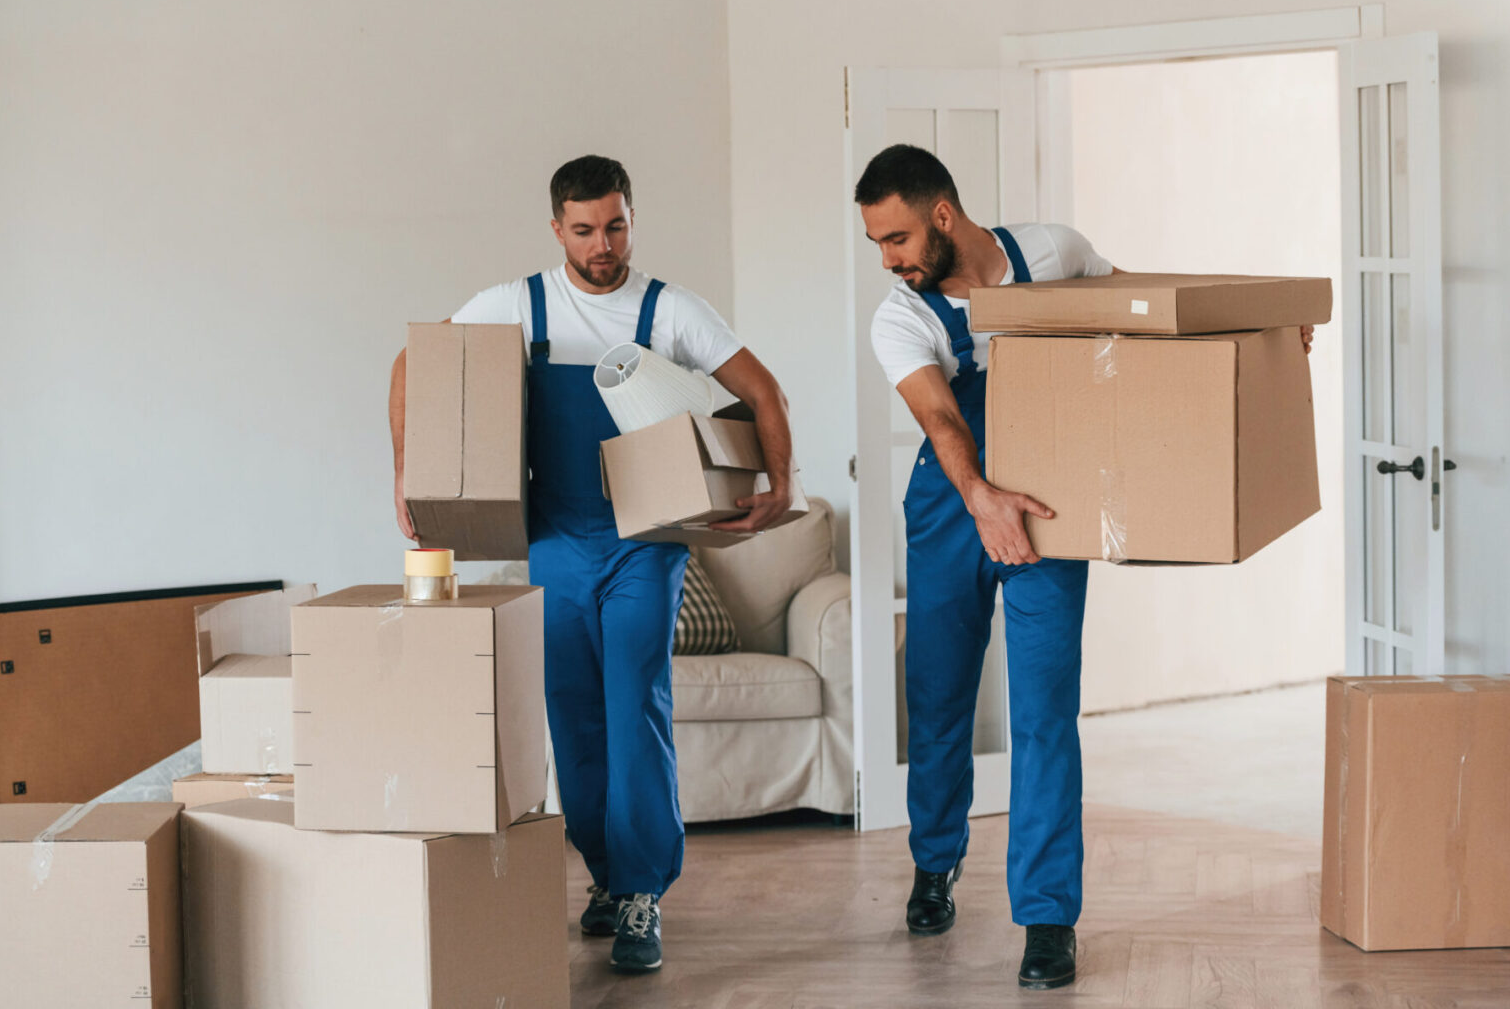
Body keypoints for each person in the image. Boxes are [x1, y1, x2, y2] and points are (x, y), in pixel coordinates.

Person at [854, 144, 1312, 990]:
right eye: (878, 244)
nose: (889, 260)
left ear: (943, 217)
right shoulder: (899, 317)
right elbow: (944, 424)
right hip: (953, 504)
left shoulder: (1052, 253)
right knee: (940, 697)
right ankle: (934, 863)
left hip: (1049, 503)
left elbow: (1146, 316)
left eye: (896, 238)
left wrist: (1267, 335)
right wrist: (981, 499)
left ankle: (1047, 918)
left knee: (1042, 712)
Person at [388, 155, 794, 975]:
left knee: (632, 703)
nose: (601, 244)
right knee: (571, 713)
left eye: (614, 226)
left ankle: (643, 889)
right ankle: (605, 877)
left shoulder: (669, 310)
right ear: (556, 229)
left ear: (631, 220)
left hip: (647, 541)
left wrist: (784, 484)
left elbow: (763, 391)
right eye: (584, 229)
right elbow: (412, 366)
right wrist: (409, 473)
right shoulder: (517, 304)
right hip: (555, 538)